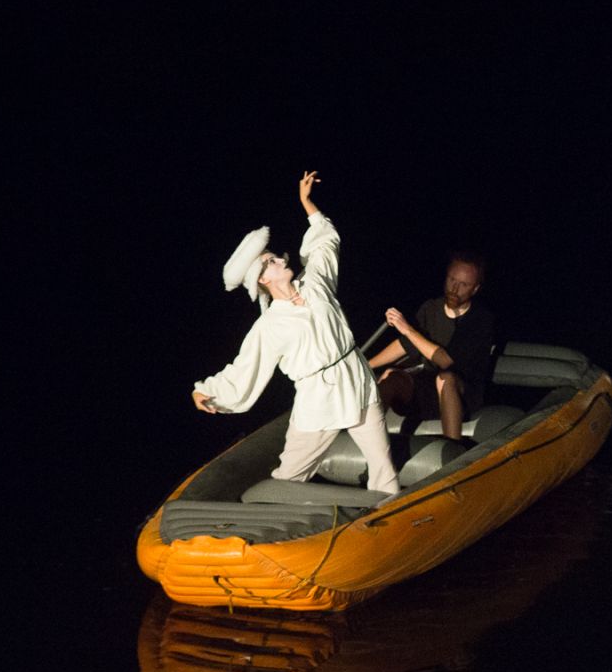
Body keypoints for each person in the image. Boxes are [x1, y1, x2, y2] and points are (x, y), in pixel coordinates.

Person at [191, 171, 399, 493]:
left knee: (383, 466)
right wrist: (205, 391)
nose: (279, 259)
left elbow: (327, 241)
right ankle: (269, 514)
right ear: (263, 279)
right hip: (318, 397)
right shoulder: (270, 325)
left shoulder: (314, 283)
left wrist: (306, 202)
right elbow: (246, 366)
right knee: (289, 477)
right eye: (271, 261)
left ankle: (390, 509)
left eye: (275, 256)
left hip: (356, 378)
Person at [368, 252, 495, 441]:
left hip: (463, 395)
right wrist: (366, 365)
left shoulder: (480, 319)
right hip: (427, 390)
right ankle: (369, 443)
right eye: (452, 280)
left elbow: (445, 361)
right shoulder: (431, 308)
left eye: (463, 285)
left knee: (445, 378)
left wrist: (407, 329)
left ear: (475, 289)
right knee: (392, 377)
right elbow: (405, 344)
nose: (454, 289)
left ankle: (453, 446)